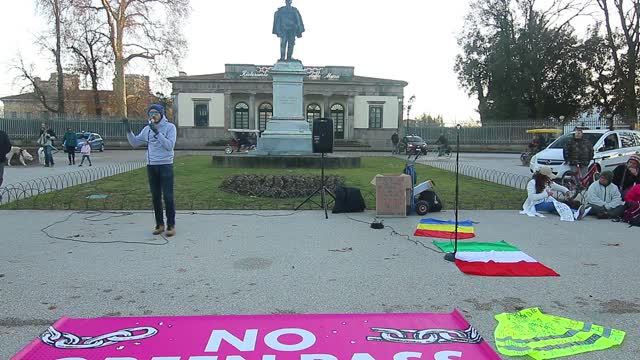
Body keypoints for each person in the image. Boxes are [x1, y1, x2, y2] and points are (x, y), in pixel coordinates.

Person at [124, 104, 177, 237]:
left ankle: (171, 225)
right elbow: (135, 143)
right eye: (150, 113)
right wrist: (128, 131)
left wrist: (157, 133)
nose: (153, 115)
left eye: (155, 113)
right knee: (155, 197)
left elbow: (169, 146)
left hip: (165, 165)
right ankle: (159, 224)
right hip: (151, 165)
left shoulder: (170, 127)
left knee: (168, 197)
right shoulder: (147, 129)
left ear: (161, 114)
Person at [521, 166, 589, 220]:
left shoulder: (548, 183)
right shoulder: (532, 183)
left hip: (546, 202)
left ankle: (575, 213)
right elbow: (531, 197)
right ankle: (575, 213)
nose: (550, 179)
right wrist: (546, 194)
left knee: (558, 208)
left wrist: (566, 191)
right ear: (543, 177)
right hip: (535, 205)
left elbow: (559, 187)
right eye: (548, 177)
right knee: (555, 205)